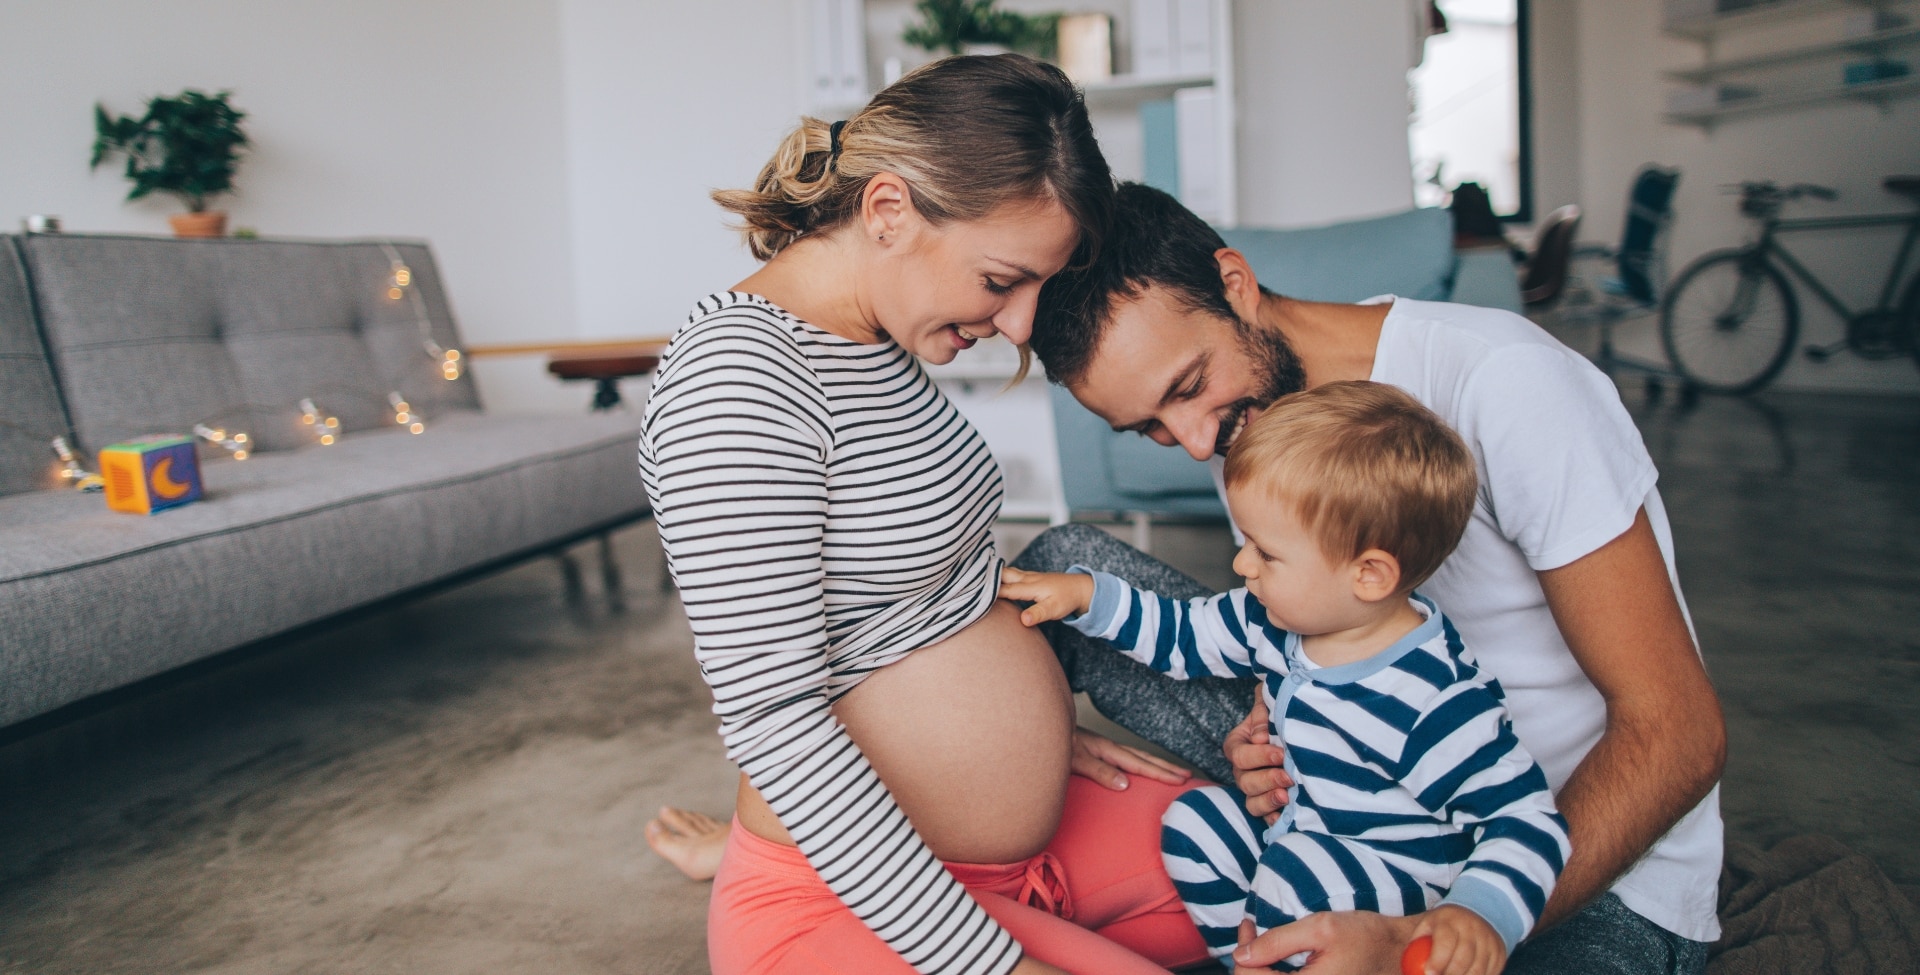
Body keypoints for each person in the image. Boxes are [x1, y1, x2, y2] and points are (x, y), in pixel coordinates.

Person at [1014, 183, 1725, 975]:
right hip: (1357, 803)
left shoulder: (1505, 383)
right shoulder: (1247, 421)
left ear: (1236, 284)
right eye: (1148, 425)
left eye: (1185, 387)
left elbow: (1680, 735)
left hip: (1564, 860)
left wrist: (1427, 935)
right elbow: (1302, 620)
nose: (1190, 440)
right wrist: (1266, 720)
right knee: (1065, 566)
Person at [638, 57, 1211, 975]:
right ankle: (748, 885)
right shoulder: (738, 384)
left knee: (1297, 879)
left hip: (1023, 844)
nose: (1022, 325)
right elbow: (777, 719)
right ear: (890, 212)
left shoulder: (874, 332)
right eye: (1001, 281)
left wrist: (1031, 741)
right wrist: (994, 963)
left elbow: (910, 610)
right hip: (845, 896)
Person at [1002, 381, 1569, 975]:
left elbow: (1526, 821)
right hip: (1301, 833)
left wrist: (1478, 914)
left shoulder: (1431, 698)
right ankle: (1251, 961)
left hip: (1392, 885)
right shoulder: (1276, 618)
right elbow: (1183, 634)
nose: (1241, 565)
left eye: (1264, 553)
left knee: (1295, 876)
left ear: (1369, 576)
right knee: (1194, 825)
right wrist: (1086, 594)